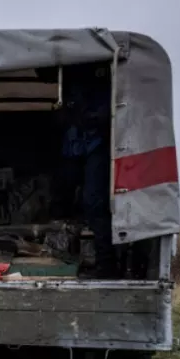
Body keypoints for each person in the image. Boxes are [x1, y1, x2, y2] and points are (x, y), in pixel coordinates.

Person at [57, 62, 115, 278]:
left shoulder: (101, 87)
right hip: (75, 145)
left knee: (93, 202)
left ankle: (106, 266)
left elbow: (103, 115)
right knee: (65, 199)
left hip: (94, 144)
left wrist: (84, 117)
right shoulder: (70, 88)